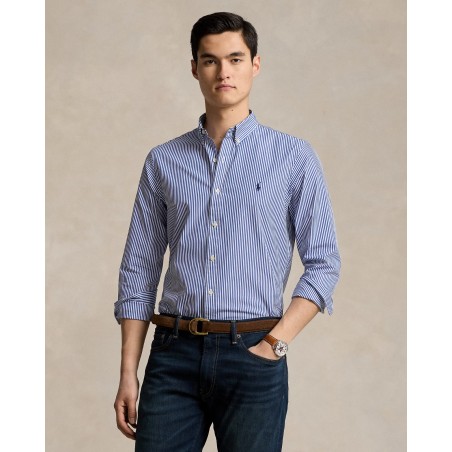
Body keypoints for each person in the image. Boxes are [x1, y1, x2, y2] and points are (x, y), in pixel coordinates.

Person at [113, 11, 340, 452]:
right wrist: (128, 372)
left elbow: (324, 264)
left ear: (255, 64)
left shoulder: (294, 158)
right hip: (173, 355)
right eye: (210, 60)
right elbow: (138, 271)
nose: (223, 72)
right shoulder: (163, 161)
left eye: (235, 59)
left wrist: (274, 345)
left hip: (254, 352)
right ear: (194, 68)